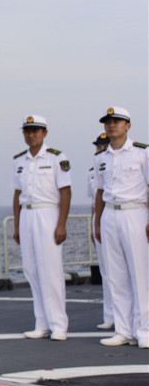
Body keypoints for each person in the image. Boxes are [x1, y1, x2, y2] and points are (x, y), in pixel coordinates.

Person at [11, 115, 71, 340]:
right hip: (27, 214)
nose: (31, 135)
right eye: (27, 131)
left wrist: (61, 223)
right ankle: (42, 322)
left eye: (35, 131)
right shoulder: (19, 160)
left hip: (48, 213)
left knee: (51, 272)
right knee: (32, 270)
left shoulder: (56, 158)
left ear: (44, 133)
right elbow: (17, 195)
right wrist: (17, 225)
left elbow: (66, 192)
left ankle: (58, 325)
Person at [92, 107, 148, 348]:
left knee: (140, 274)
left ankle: (144, 330)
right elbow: (99, 191)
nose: (111, 125)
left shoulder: (142, 153)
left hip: (135, 212)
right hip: (110, 215)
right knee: (116, 276)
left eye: (117, 121)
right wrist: (97, 221)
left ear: (128, 126)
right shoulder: (101, 158)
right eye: (108, 122)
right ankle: (123, 330)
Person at [88, 132, 115, 331]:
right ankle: (110, 315)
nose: (100, 149)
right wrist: (93, 225)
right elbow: (94, 202)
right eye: (98, 146)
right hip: (101, 220)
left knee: (123, 271)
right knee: (106, 271)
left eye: (103, 146)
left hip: (117, 215)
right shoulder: (94, 170)